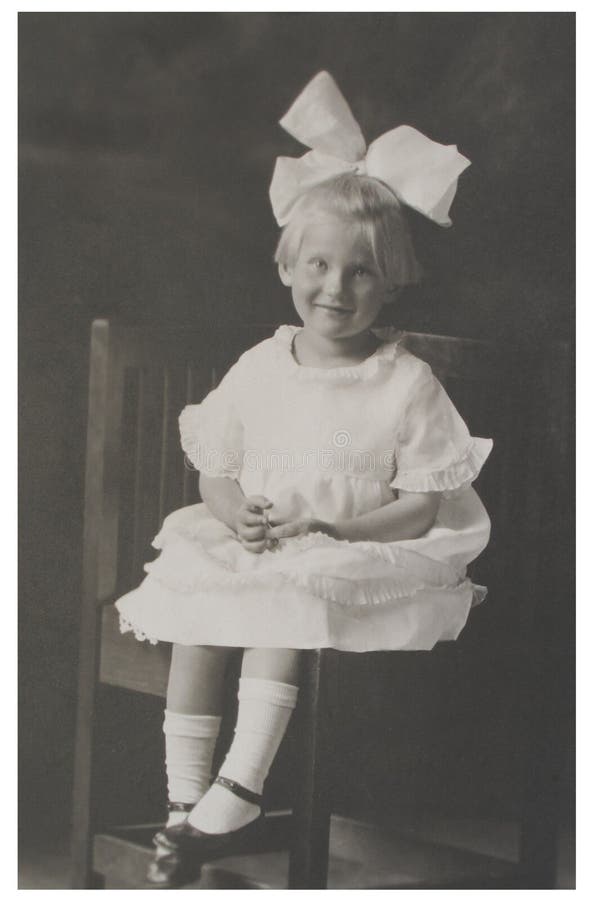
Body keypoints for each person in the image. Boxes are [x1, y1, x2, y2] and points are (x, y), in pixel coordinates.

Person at [115, 71, 492, 888]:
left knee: (290, 595)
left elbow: (422, 503)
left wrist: (339, 533)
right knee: (201, 608)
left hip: (355, 550)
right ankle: (186, 808)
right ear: (286, 265)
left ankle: (240, 784)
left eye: (361, 273)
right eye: (317, 265)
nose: (335, 287)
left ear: (389, 281)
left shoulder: (403, 381)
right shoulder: (259, 365)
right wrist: (234, 514)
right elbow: (218, 470)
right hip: (264, 540)